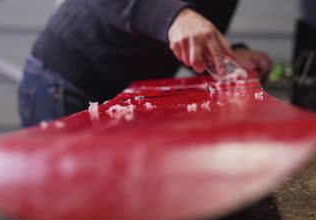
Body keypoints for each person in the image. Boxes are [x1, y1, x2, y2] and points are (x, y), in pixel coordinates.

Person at [18, 0, 272, 127]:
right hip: (68, 85)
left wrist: (226, 55)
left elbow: (190, 28)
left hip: (133, 93)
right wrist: (175, 17)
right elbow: (178, 19)